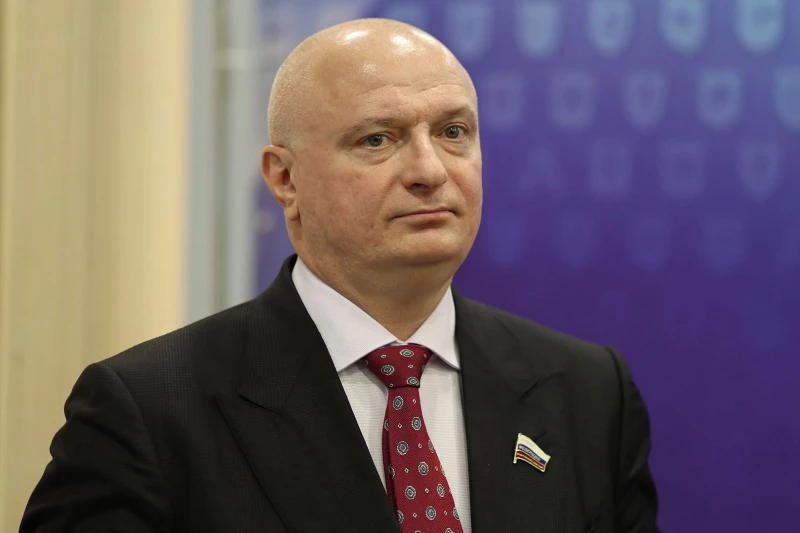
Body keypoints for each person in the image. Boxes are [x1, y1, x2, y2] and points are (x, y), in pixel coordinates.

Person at [21, 18, 660, 533]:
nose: (430, 170)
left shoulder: (588, 392)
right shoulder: (149, 411)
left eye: (453, 132)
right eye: (378, 139)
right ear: (284, 179)